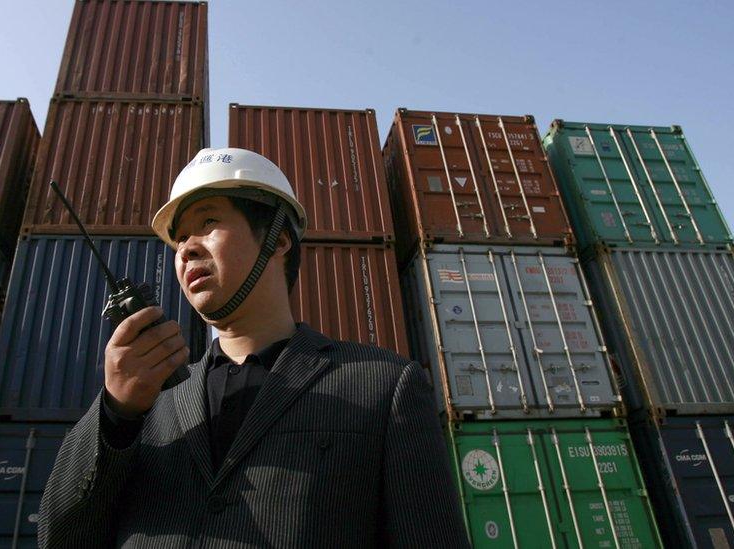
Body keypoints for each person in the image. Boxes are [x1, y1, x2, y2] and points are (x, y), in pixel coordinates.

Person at [37, 148, 469, 547]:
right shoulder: (144, 402)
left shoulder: (383, 386)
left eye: (207, 223)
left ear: (278, 240)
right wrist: (116, 413)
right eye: (179, 239)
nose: (186, 248)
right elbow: (59, 538)